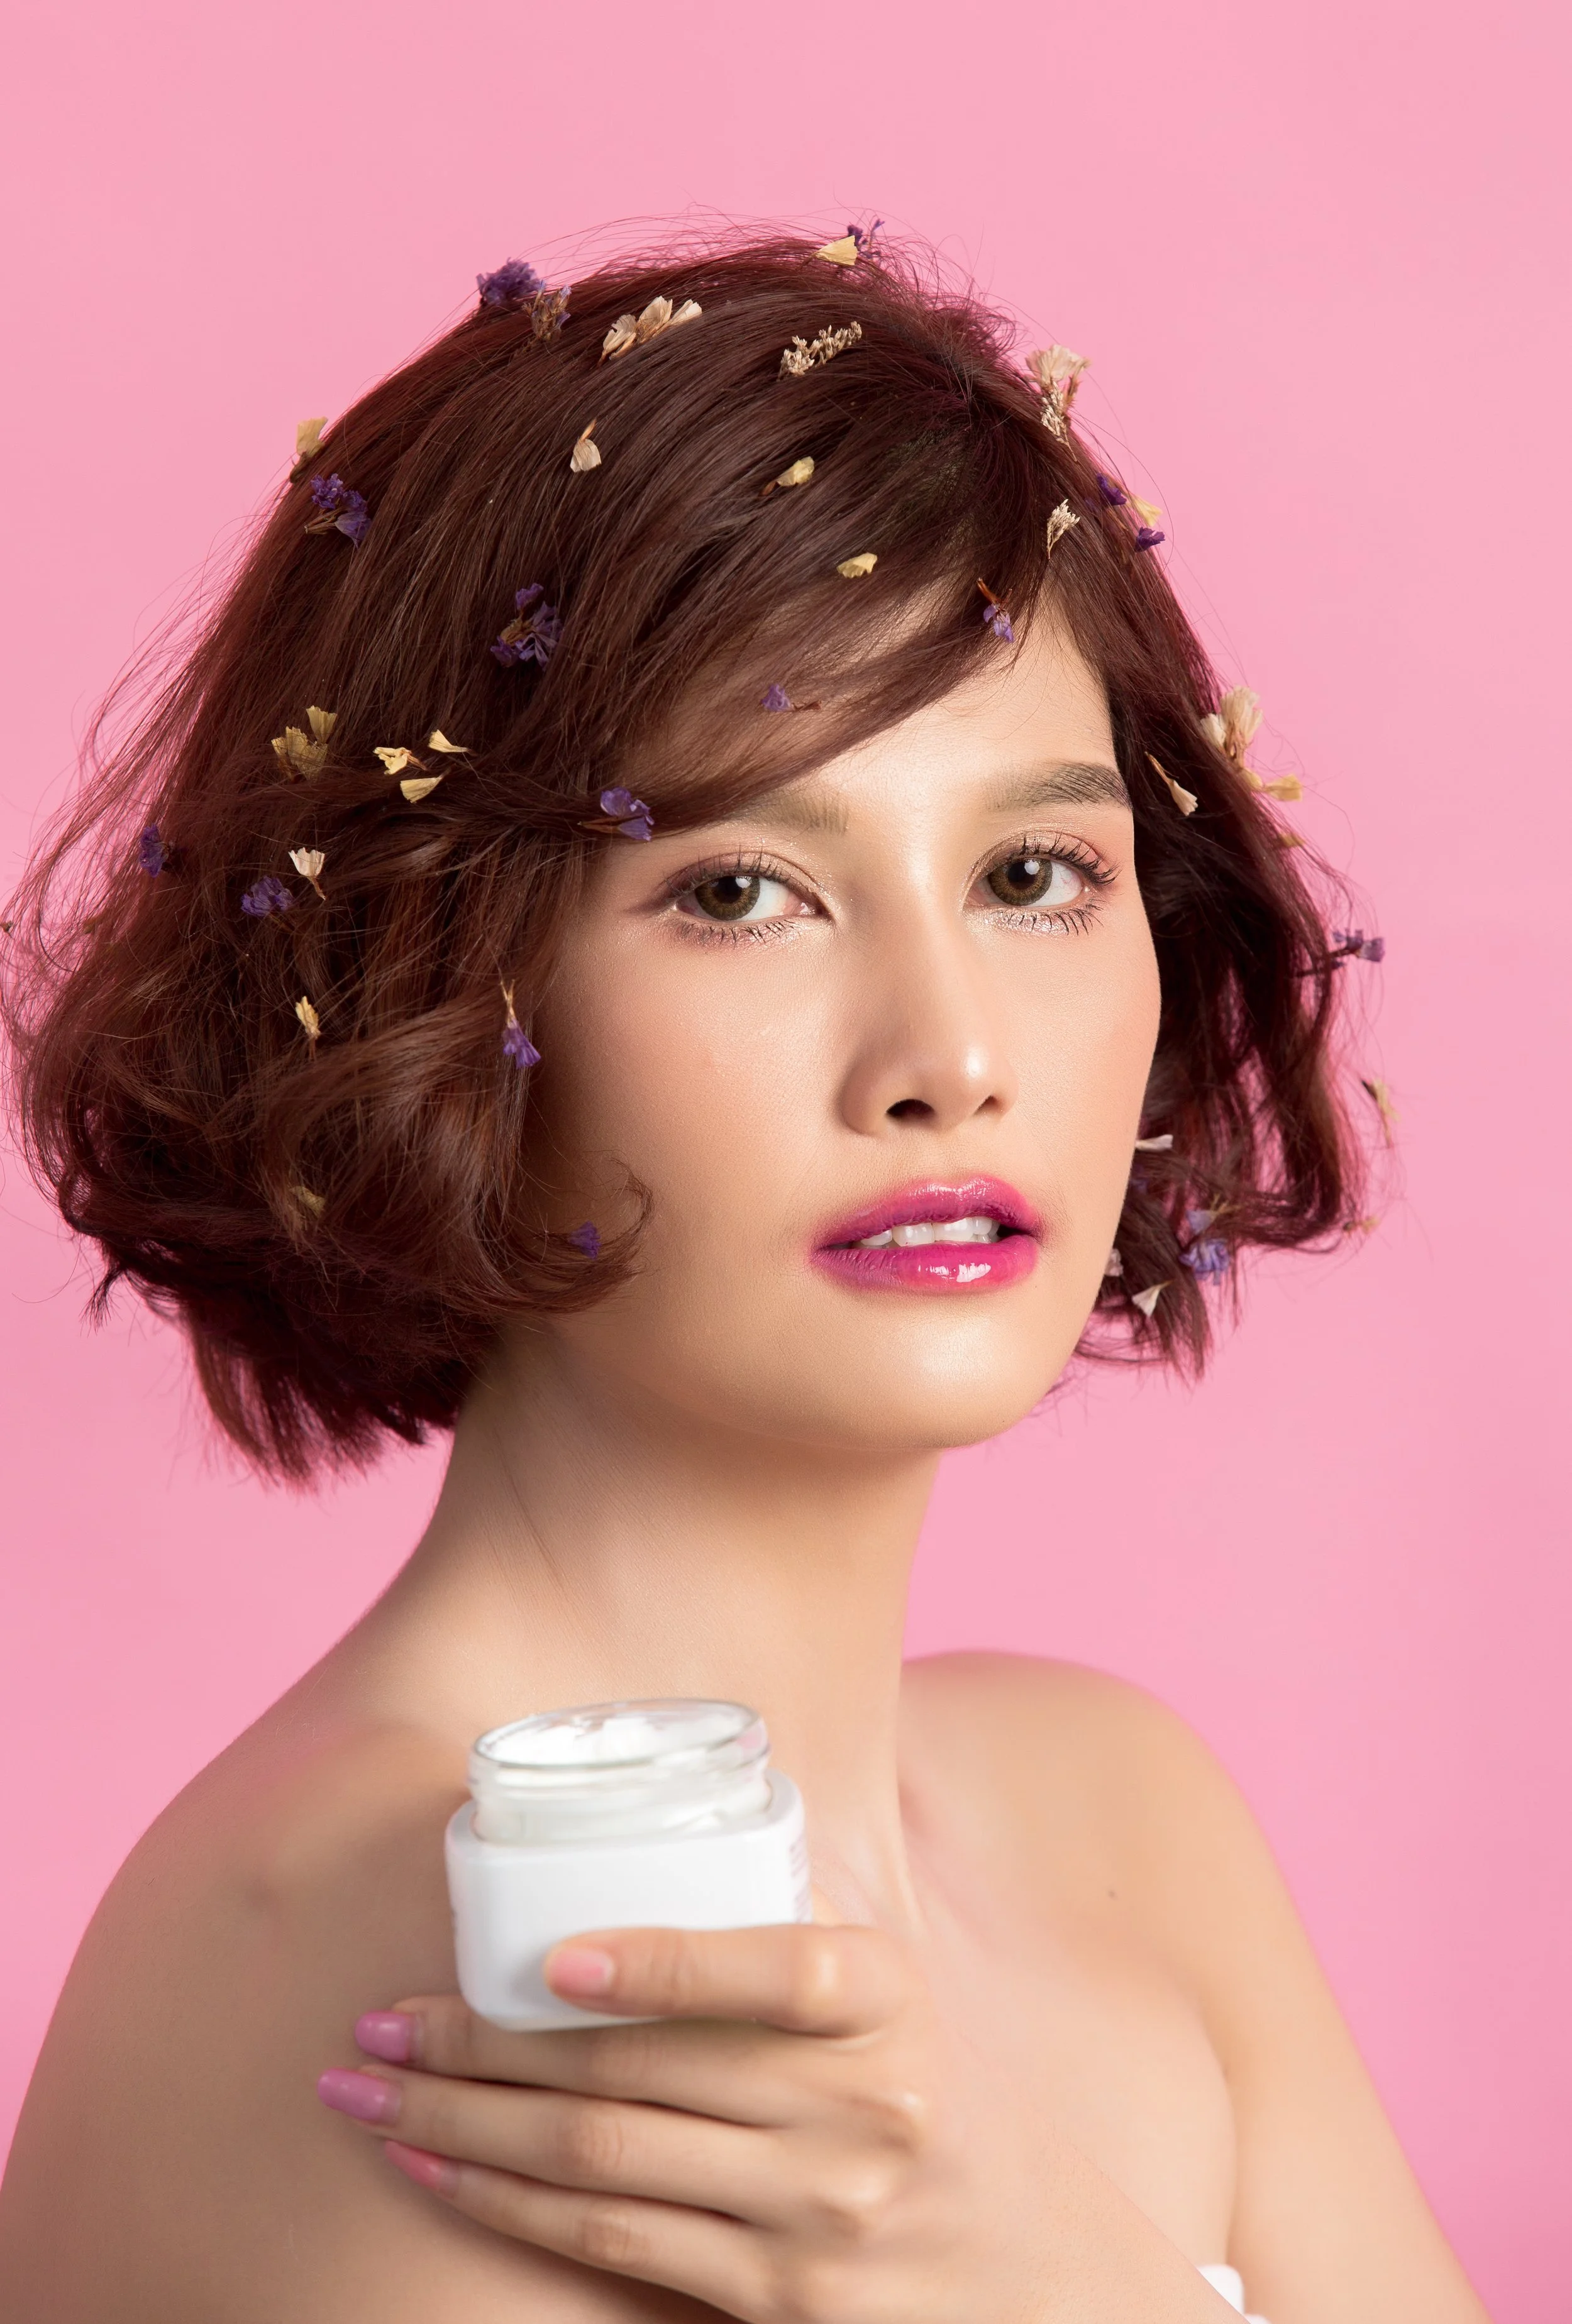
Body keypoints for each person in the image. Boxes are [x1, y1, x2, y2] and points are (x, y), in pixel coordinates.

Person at [0, 231, 1484, 2322]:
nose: (950, 1056)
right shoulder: (424, 1981)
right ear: (440, 982)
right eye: (741, 891)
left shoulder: (1120, 1821)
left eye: (1032, 874)